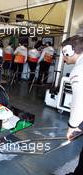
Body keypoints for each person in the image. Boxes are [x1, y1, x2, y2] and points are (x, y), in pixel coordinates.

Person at [61, 35, 83, 175]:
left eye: (64, 53)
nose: (63, 58)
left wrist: (73, 127)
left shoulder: (79, 70)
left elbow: (80, 101)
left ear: (70, 51)